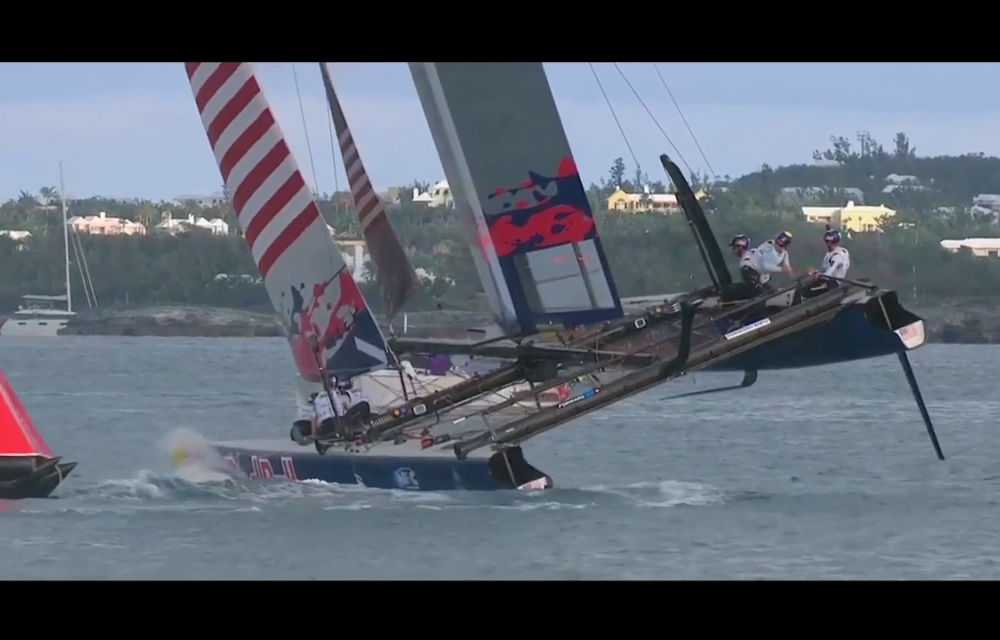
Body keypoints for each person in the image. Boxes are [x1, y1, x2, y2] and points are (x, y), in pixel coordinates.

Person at [797, 228, 850, 302]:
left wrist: (819, 275)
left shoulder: (838, 256)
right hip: (825, 280)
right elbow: (824, 269)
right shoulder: (831, 253)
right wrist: (815, 272)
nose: (827, 244)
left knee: (803, 292)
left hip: (831, 283)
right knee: (800, 289)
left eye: (829, 242)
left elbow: (829, 273)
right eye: (826, 241)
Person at [720, 234, 764, 302]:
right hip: (761, 287)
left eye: (734, 247)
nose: (733, 250)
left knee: (726, 291)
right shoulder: (753, 253)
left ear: (740, 247)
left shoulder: (745, 262)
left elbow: (751, 283)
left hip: (757, 290)